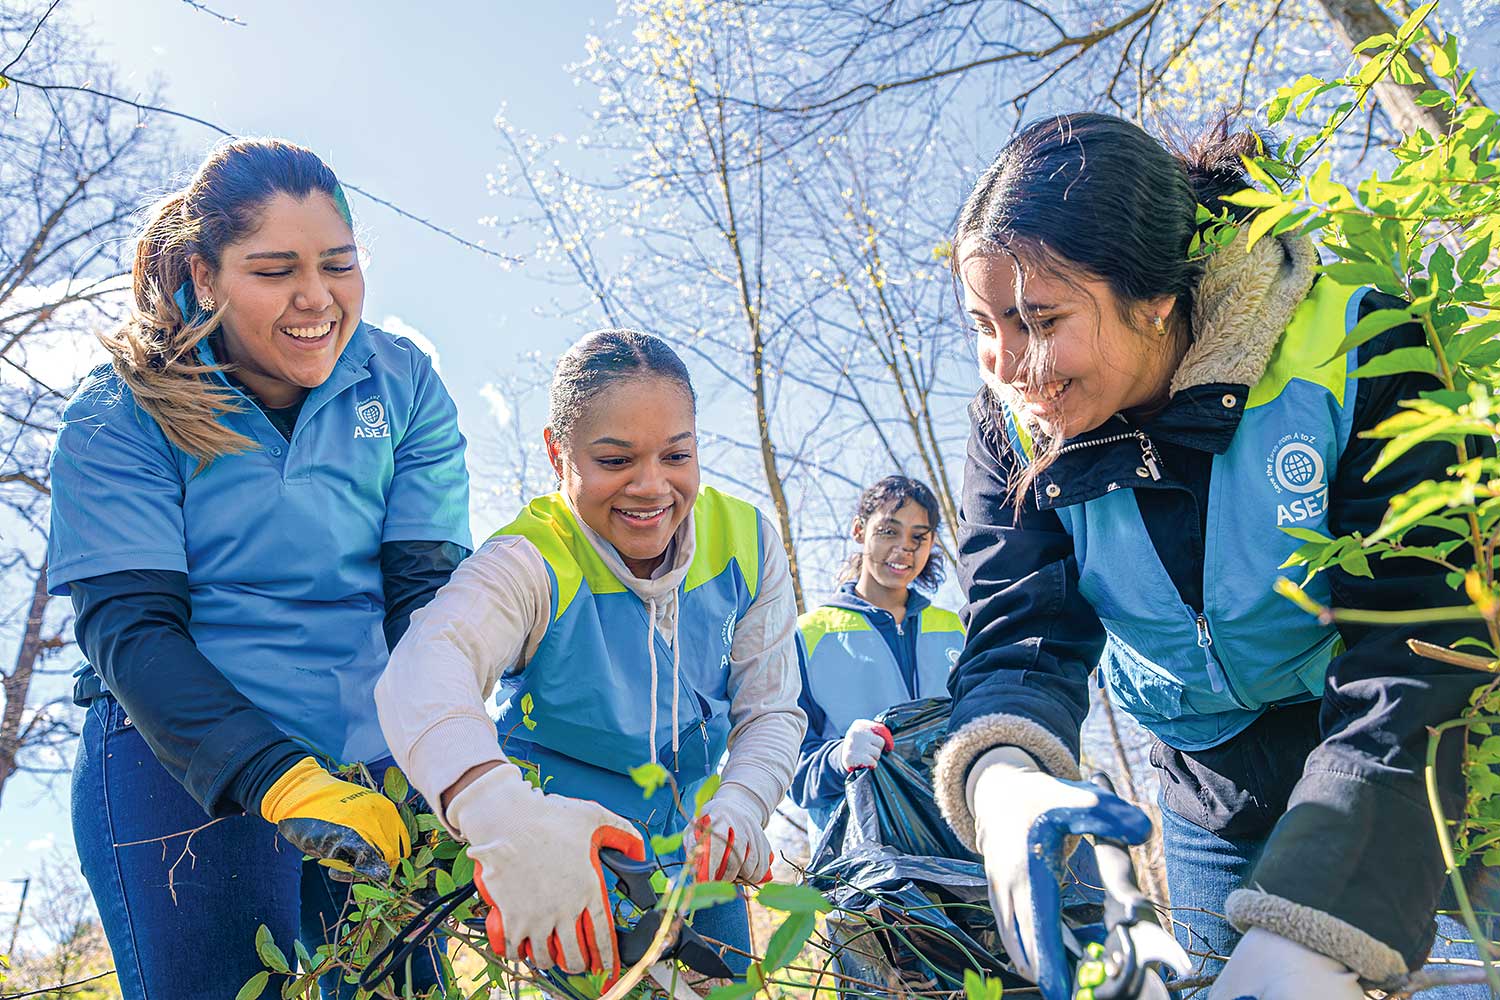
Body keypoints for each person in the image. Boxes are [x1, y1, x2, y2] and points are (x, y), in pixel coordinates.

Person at [925, 112, 1486, 998]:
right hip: (1207, 788)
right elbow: (1020, 625)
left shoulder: (1357, 346)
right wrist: (1002, 775)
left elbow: (1422, 642)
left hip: (1391, 752)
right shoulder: (1013, 422)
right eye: (983, 324)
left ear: (1156, 296)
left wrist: (1322, 919)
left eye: (1040, 318)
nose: (1009, 365)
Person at [48, 138, 471, 1000]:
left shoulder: (404, 383)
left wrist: (453, 764)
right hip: (180, 763)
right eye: (275, 270)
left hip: (371, 758)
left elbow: (426, 602)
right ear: (205, 275)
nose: (317, 298)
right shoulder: (120, 408)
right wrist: (276, 776)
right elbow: (131, 631)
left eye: (339, 265)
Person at [374, 329, 806, 984]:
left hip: (699, 853)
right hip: (567, 860)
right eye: (614, 461)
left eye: (676, 455)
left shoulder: (748, 542)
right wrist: (500, 813)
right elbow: (427, 664)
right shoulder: (531, 557)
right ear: (558, 453)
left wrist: (744, 800)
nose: (651, 487)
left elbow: (771, 708)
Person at [789, 475, 964, 846]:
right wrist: (839, 757)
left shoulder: (957, 632)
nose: (904, 549)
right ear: (859, 530)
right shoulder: (807, 636)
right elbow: (790, 768)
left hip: (963, 850)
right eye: (888, 531)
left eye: (919, 537)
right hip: (862, 859)